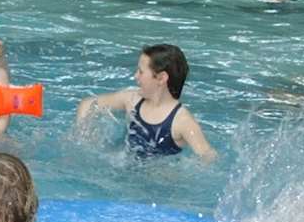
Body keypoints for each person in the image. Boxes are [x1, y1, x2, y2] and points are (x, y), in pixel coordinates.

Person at [75, 44, 216, 161]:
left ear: (161, 78)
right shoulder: (131, 100)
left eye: (141, 72)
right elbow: (88, 104)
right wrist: (84, 137)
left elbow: (209, 157)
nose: (135, 76)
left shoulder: (182, 121)